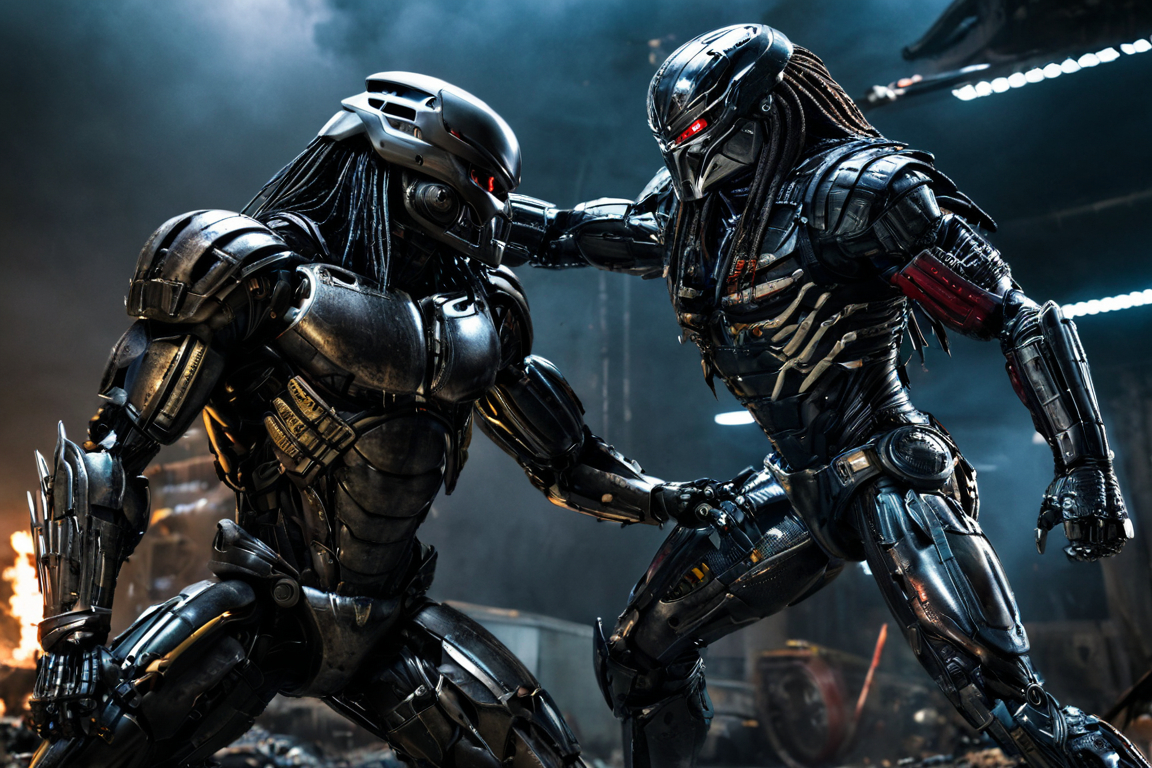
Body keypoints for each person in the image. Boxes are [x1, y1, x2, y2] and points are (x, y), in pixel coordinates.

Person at [24, 71, 711, 768]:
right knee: (87, 753)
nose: (489, 219)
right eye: (477, 189)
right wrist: (72, 641)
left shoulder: (480, 313)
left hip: (391, 623)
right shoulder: (249, 269)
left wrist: (666, 499)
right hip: (260, 609)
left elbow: (564, 459)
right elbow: (111, 455)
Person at [504, 24, 1144, 768]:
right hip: (790, 484)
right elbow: (566, 233)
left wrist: (1086, 467)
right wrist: (448, 206)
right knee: (636, 660)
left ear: (763, 111)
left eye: (702, 136)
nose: (687, 160)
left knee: (1008, 707)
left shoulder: (863, 191)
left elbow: (1018, 318)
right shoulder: (695, 212)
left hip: (887, 469)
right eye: (675, 144)